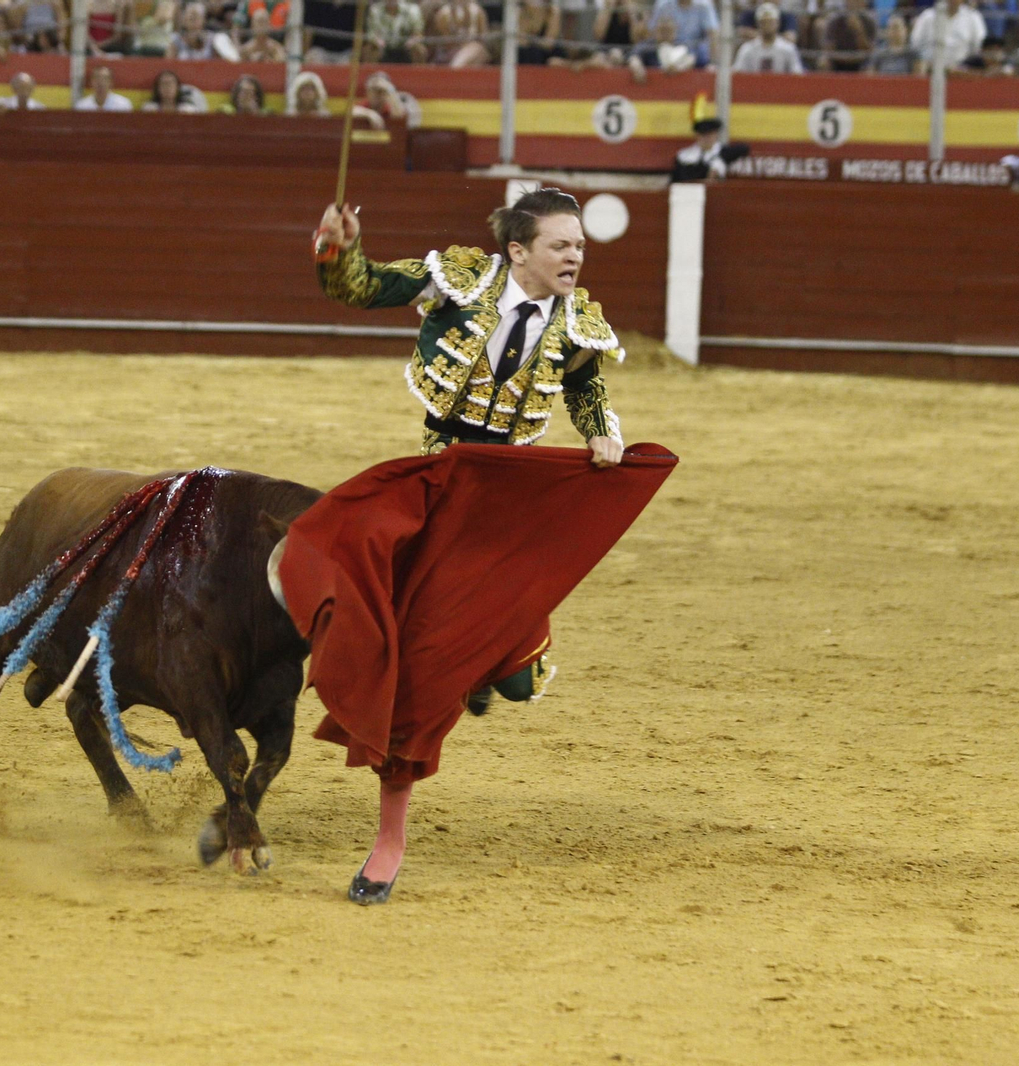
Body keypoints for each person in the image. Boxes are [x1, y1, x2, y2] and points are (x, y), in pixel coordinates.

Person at [310, 189, 625, 903]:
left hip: (512, 497)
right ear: (519, 252)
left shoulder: (576, 322)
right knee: (411, 660)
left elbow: (585, 385)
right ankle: (389, 840)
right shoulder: (461, 281)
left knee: (515, 678)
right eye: (561, 245)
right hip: (441, 478)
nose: (575, 256)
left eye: (579, 246)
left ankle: (483, 670)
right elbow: (360, 288)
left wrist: (602, 428)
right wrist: (338, 248)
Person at [909, 0, 986, 72]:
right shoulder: (927, 17)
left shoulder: (973, 17)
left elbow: (977, 47)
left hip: (961, 72)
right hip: (930, 70)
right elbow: (915, 44)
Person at [671, 117, 748, 180]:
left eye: (710, 135)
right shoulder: (684, 155)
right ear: (697, 135)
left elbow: (744, 148)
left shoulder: (723, 152)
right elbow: (678, 179)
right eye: (704, 135)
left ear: (716, 135)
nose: (707, 139)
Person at [733, 3, 805, 71]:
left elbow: (797, 74)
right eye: (764, 22)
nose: (767, 26)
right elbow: (738, 72)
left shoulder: (787, 49)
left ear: (778, 23)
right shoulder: (748, 49)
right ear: (758, 24)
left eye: (770, 22)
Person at [648, 0, 719, 66]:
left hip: (695, 53)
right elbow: (653, 31)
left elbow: (713, 35)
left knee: (702, 49)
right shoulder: (663, 4)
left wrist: (713, 63)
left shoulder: (704, 5)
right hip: (667, 50)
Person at [365, 0, 429, 63]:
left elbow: (418, 33)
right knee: (369, 49)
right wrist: (377, 41)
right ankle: (371, 73)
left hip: (406, 48)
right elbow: (371, 33)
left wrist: (412, 41)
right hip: (383, 48)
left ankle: (418, 73)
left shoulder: (412, 10)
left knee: (419, 50)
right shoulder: (375, 10)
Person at [823, 0, 877, 71]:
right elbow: (828, 48)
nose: (854, 4)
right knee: (823, 63)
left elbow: (869, 51)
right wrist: (843, 57)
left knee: (870, 68)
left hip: (861, 62)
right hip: (838, 61)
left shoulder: (869, 22)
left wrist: (858, 31)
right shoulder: (835, 20)